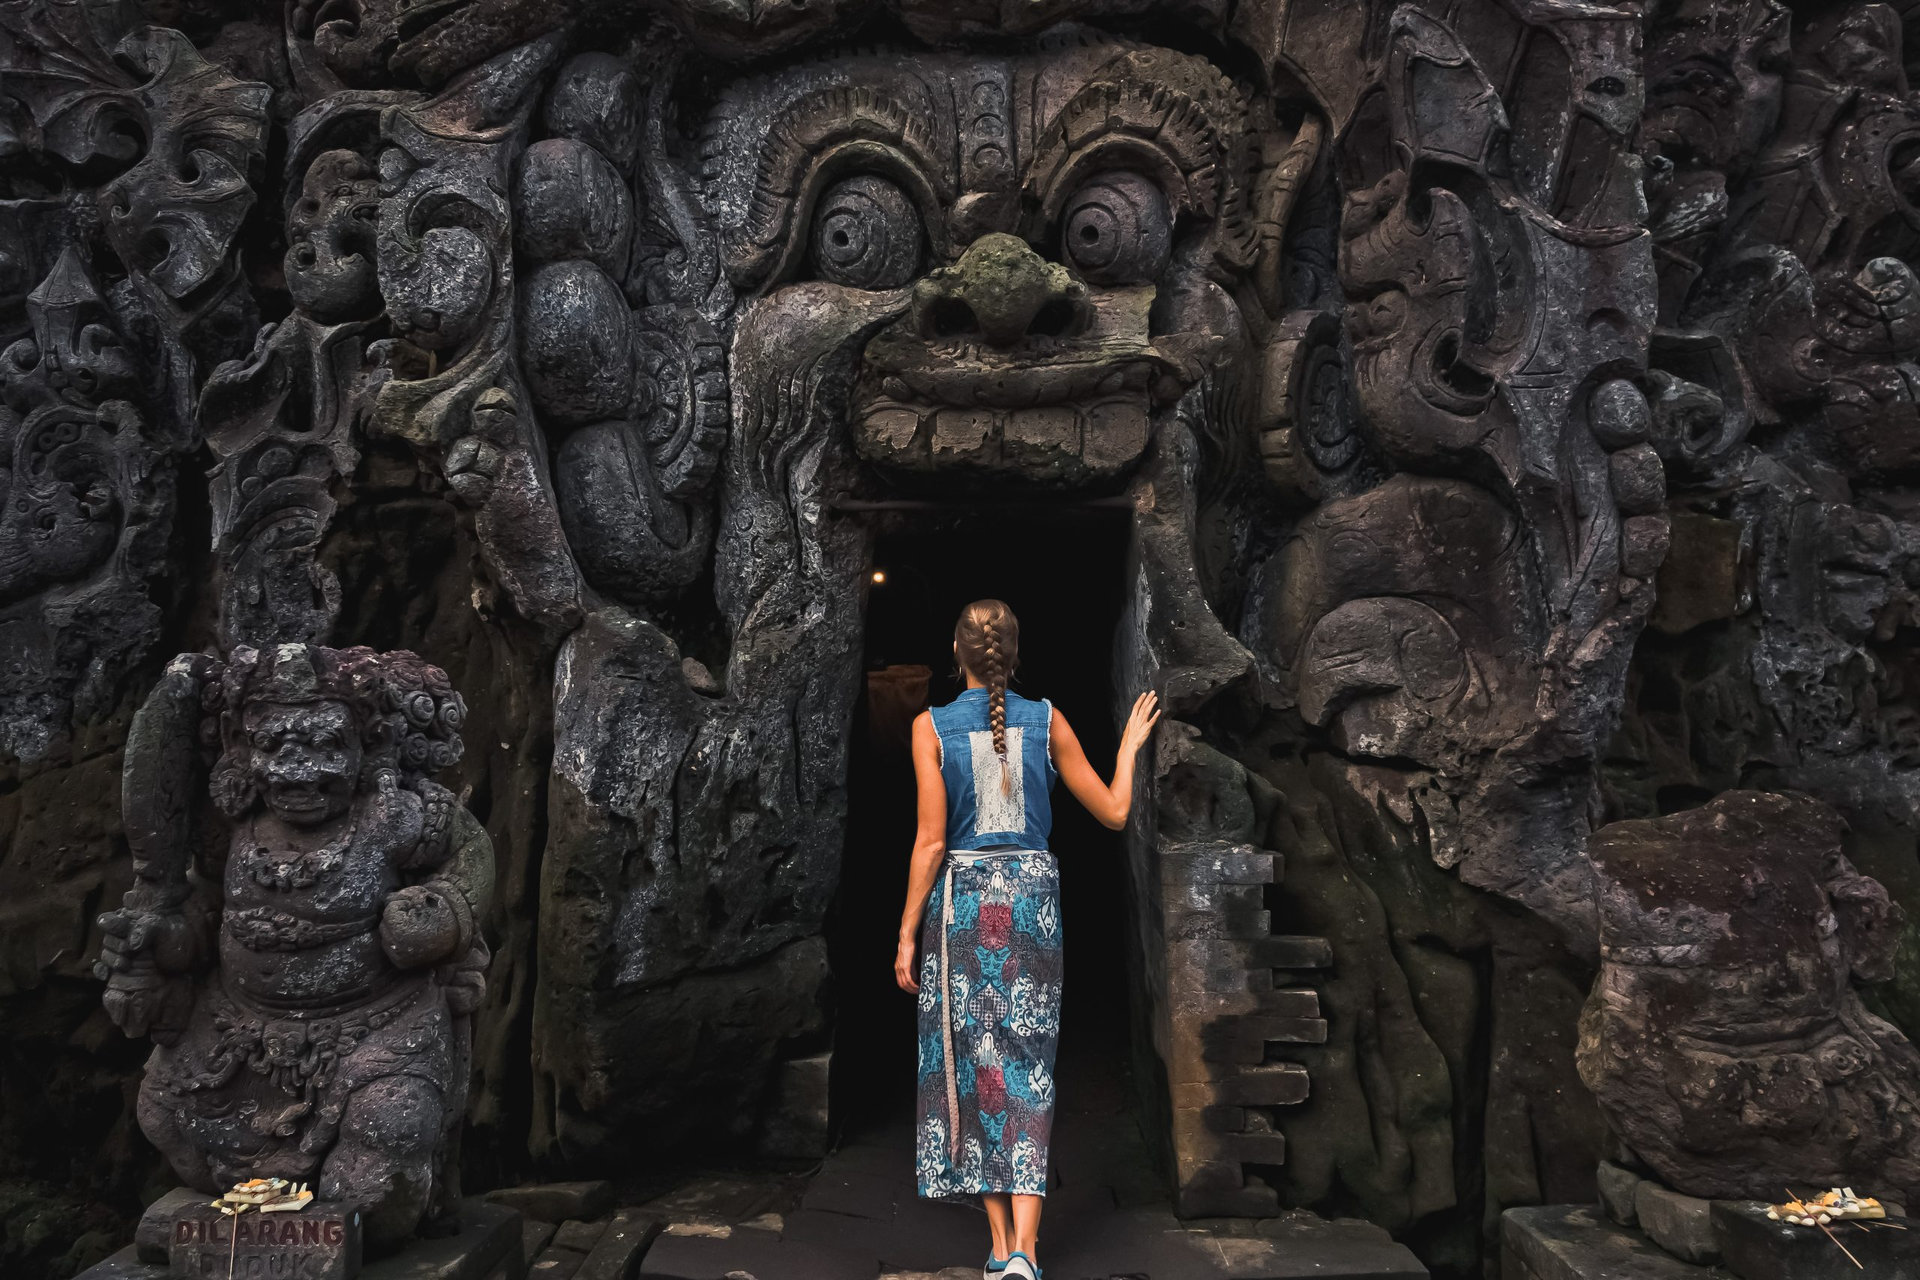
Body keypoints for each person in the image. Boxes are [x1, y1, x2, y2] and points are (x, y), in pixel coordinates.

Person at [894, 599, 1160, 1280]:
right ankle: (1025, 1253)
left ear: (957, 655)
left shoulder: (930, 727)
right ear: (1014, 657)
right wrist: (1127, 749)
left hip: (962, 906)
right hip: (1034, 904)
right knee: (1027, 1067)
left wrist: (904, 933)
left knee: (975, 1064)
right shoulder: (1047, 721)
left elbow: (930, 842)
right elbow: (1114, 812)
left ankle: (1001, 1239)